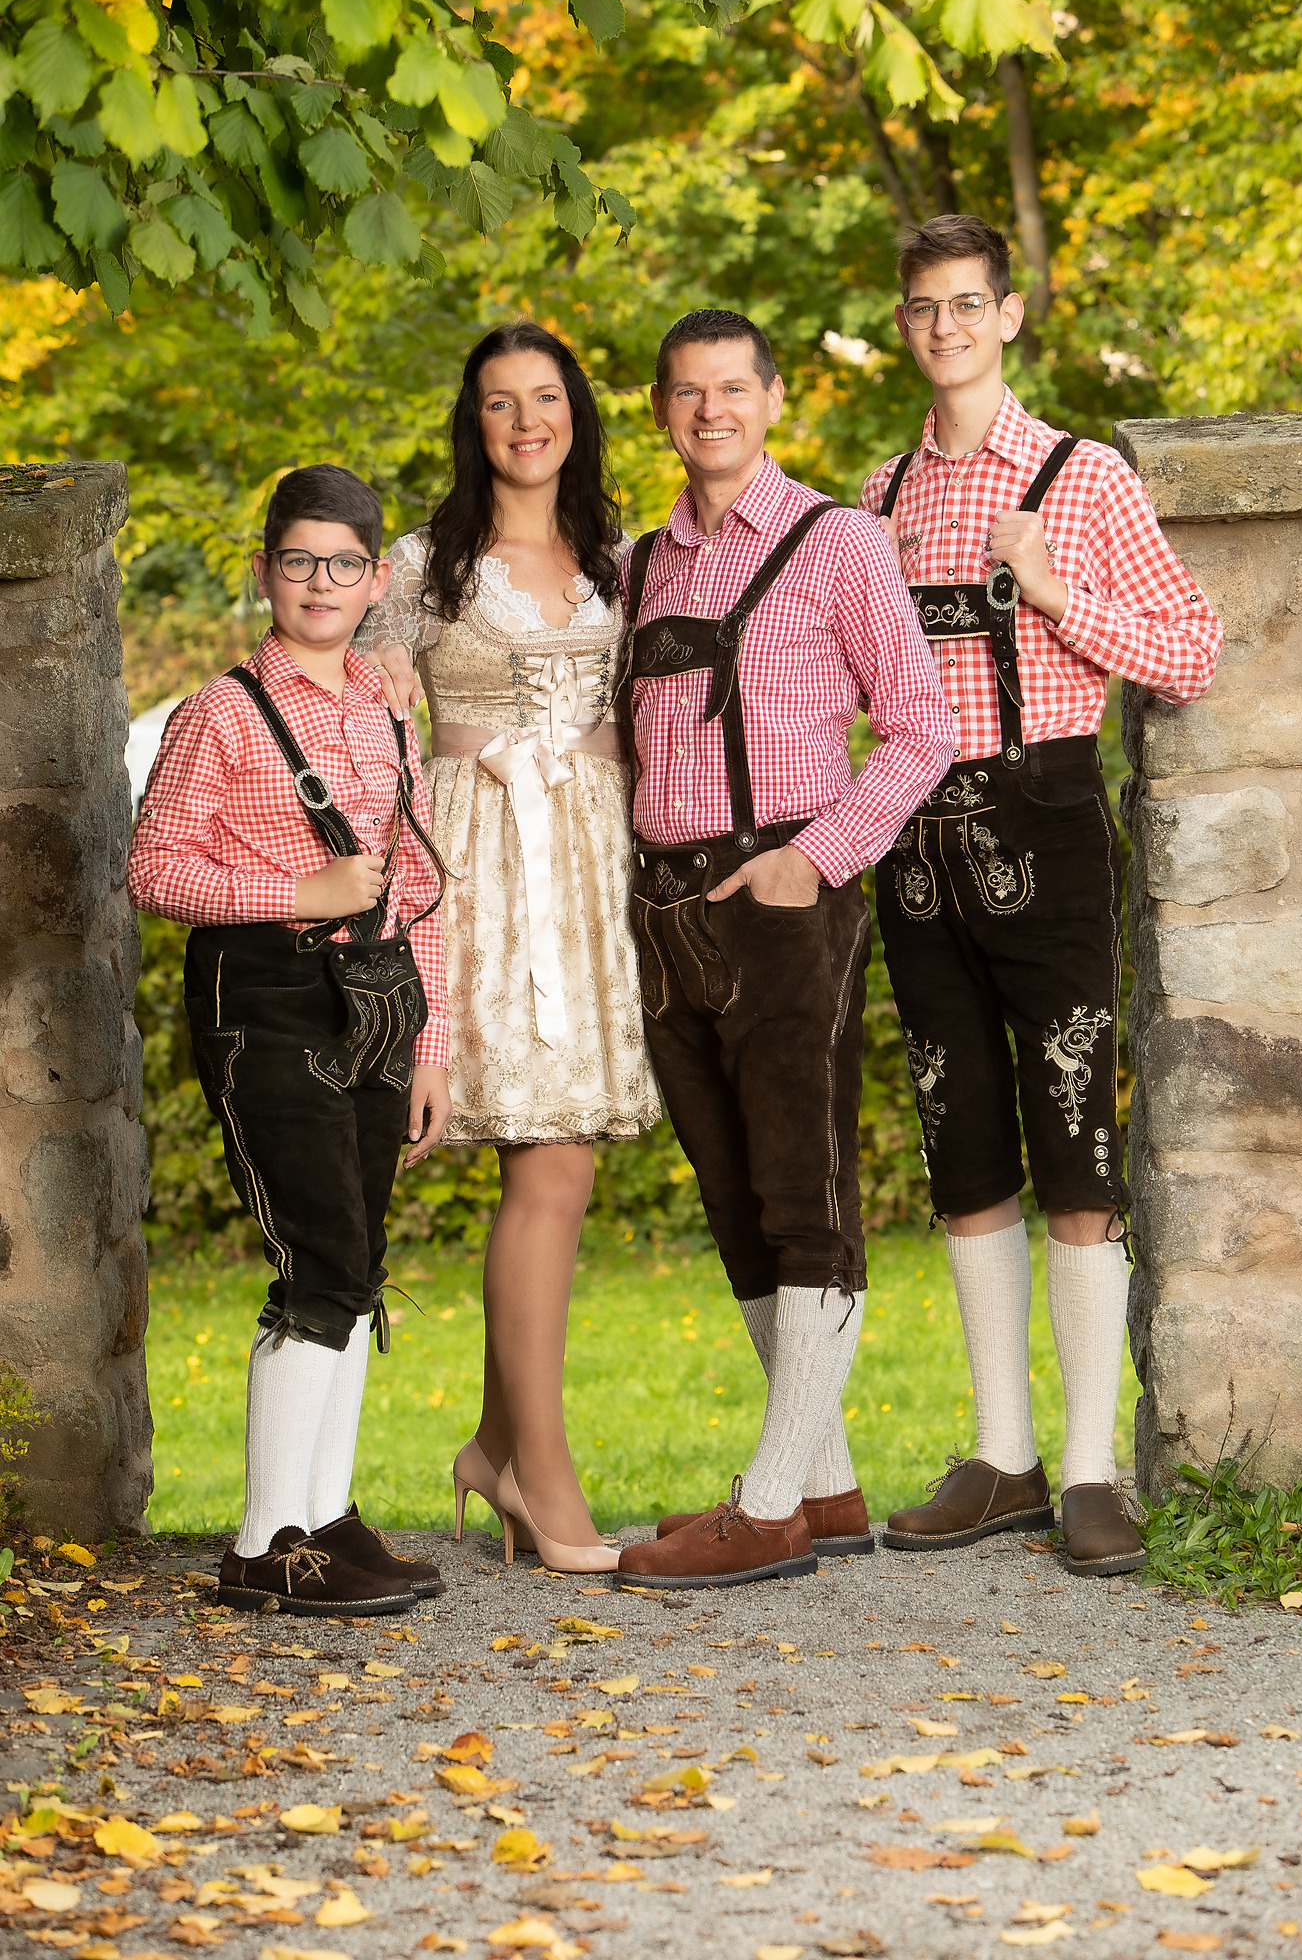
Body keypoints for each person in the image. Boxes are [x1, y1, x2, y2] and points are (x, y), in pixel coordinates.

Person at [862, 214, 1222, 1575]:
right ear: (905, 324)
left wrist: (1059, 595)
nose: (944, 327)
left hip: (1047, 817)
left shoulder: (1084, 478)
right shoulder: (880, 495)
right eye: (923, 307)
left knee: (1075, 1141)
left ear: (1008, 315)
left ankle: (1086, 1468)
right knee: (958, 1142)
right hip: (914, 844)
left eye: (967, 303)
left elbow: (1192, 651)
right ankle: (1001, 1455)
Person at [610, 309, 955, 1592]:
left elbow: (920, 727)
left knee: (805, 1195)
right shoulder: (639, 565)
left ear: (772, 397)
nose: (711, 411)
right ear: (661, 409)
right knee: (733, 1195)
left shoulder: (839, 541)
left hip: (784, 898)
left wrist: (818, 856)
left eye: (733, 388)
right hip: (664, 908)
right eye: (687, 391)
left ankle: (764, 1508)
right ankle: (823, 1482)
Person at [358, 321, 658, 1577]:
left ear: (574, 414)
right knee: (552, 1166)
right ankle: (538, 1468)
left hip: (586, 872)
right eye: (499, 401)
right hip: (479, 872)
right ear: (471, 422)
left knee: (556, 1156)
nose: (526, 421)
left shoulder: (620, 556)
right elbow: (356, 711)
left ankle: (494, 1447)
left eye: (545, 398)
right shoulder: (419, 566)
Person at [128, 463, 452, 1615]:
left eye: (344, 563)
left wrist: (434, 1041)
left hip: (376, 996)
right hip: (261, 997)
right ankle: (265, 1542)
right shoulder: (218, 713)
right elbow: (152, 869)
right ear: (266, 570)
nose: (321, 582)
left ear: (374, 580)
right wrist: (294, 888)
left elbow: (418, 877)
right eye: (300, 560)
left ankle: (321, 1514)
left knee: (355, 1263)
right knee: (320, 1258)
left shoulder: (385, 702)